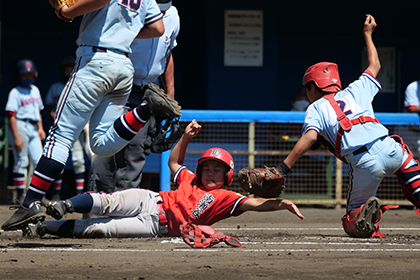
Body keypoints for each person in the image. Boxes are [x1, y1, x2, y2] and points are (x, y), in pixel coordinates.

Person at [1, 0, 182, 231]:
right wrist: (123, 32)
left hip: (96, 61)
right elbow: (158, 29)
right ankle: (145, 109)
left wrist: (66, 11)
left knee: (61, 137)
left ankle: (29, 203)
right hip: (124, 68)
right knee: (101, 145)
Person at [263, 14, 420, 238]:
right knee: (410, 170)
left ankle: (361, 216)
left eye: (308, 87)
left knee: (351, 223)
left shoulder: (315, 108)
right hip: (390, 148)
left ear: (315, 86)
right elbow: (375, 64)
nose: (308, 93)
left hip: (365, 163)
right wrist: (368, 34)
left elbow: (309, 138)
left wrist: (282, 168)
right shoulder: (356, 89)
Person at [23, 119, 303, 239]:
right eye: (208, 166)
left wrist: (281, 203)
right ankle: (63, 206)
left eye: (217, 169)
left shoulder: (227, 198)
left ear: (228, 175)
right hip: (150, 198)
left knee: (103, 229)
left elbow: (255, 204)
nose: (210, 172)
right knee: (107, 202)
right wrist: (185, 137)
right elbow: (174, 162)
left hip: (154, 225)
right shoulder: (190, 179)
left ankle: (43, 228)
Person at [87, 0, 180, 193]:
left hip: (146, 92)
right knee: (107, 150)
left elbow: (168, 52)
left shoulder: (174, 15)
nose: (161, 14)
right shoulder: (132, 8)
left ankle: (124, 212)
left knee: (135, 153)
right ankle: (96, 209)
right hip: (118, 86)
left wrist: (170, 91)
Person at [45, 56, 87, 199]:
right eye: (66, 68)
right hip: (61, 127)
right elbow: (49, 106)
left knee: (79, 161)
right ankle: (56, 194)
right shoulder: (56, 87)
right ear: (62, 70)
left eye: (71, 67)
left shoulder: (80, 85)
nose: (69, 70)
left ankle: (79, 194)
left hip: (77, 127)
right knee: (58, 160)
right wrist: (55, 117)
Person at [5, 59, 46, 203]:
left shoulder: (35, 90)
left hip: (34, 126)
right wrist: (16, 137)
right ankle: (21, 195)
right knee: (21, 161)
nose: (27, 77)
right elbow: (11, 116)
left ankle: (36, 196)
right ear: (19, 76)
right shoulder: (15, 92)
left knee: (40, 160)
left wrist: (41, 128)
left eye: (30, 75)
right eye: (25, 75)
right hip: (20, 125)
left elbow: (39, 111)